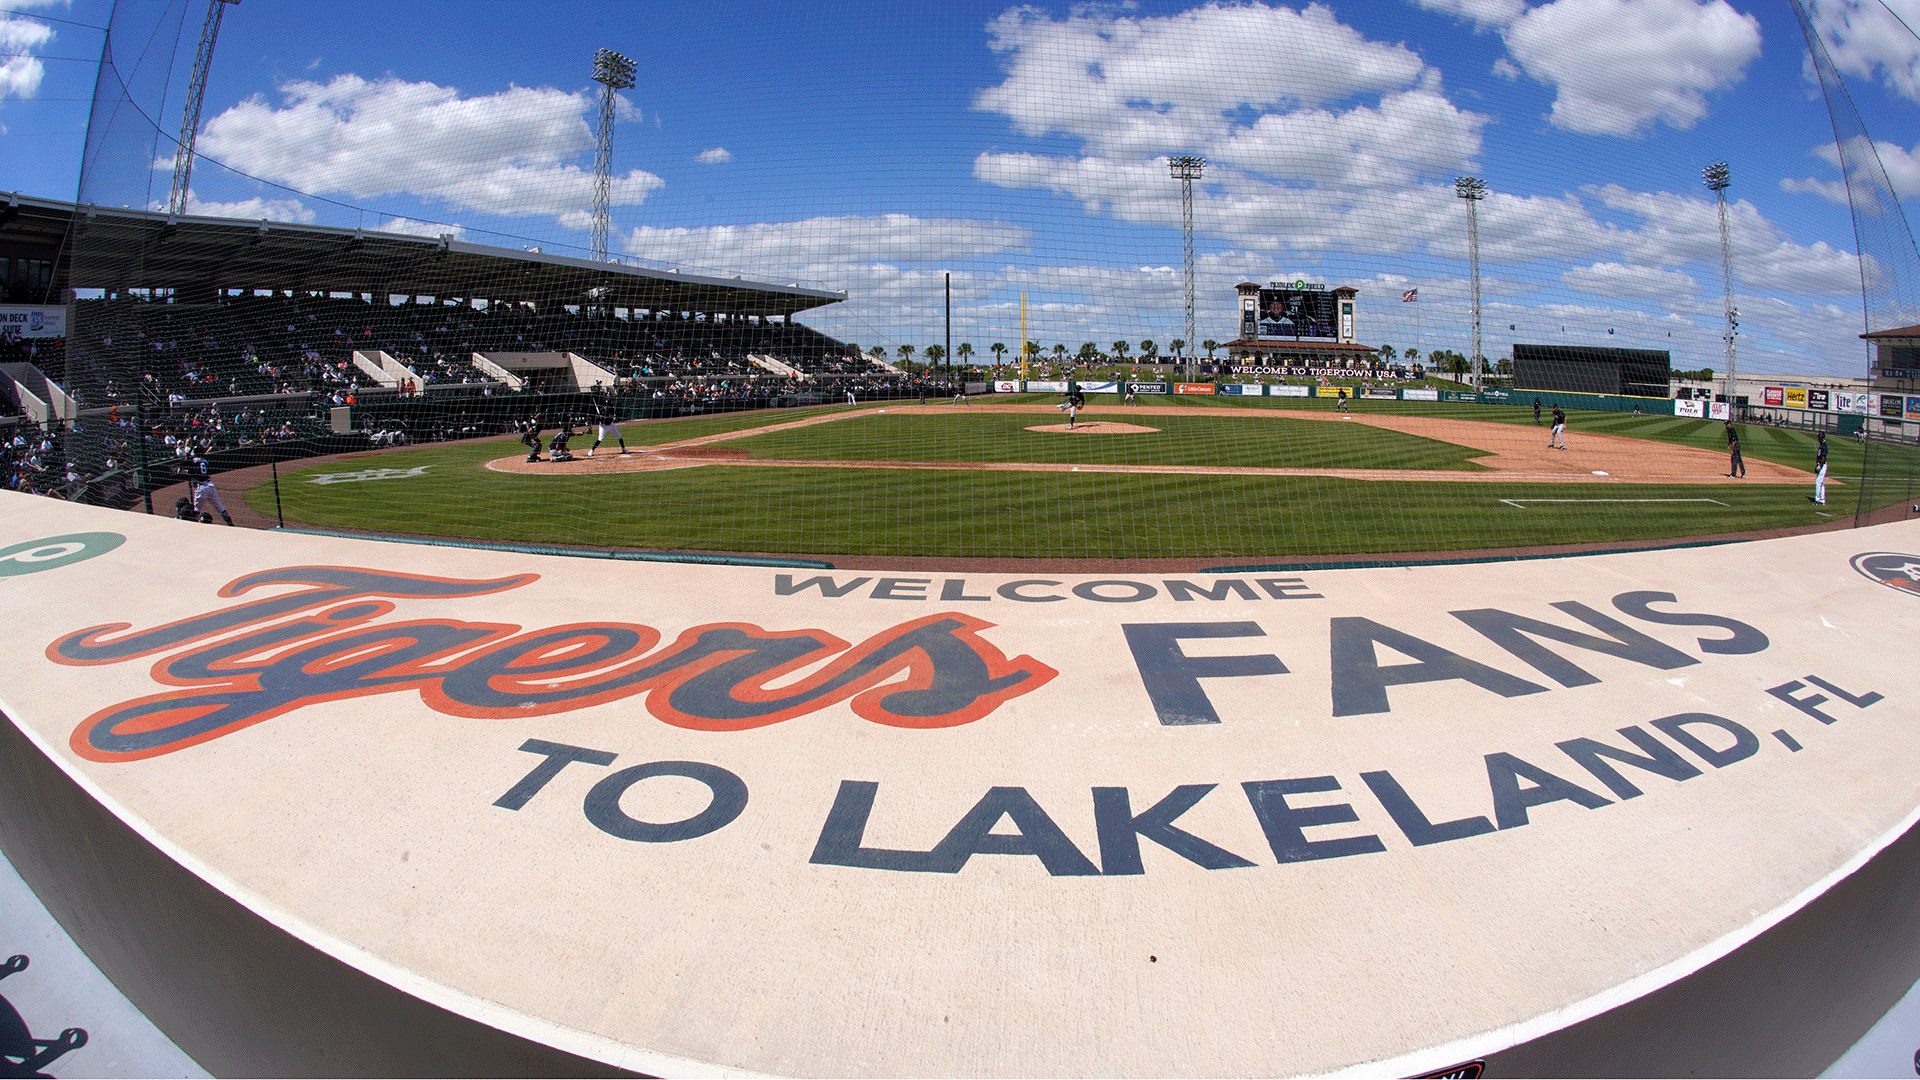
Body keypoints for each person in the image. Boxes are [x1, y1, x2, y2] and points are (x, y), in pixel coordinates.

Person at [1813, 431, 1828, 504]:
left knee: (1818, 482)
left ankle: (1817, 499)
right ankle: (1822, 500)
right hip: (1821, 465)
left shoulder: (1824, 446)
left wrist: (1819, 466)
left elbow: (1824, 457)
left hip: (1822, 465)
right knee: (1821, 483)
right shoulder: (1822, 445)